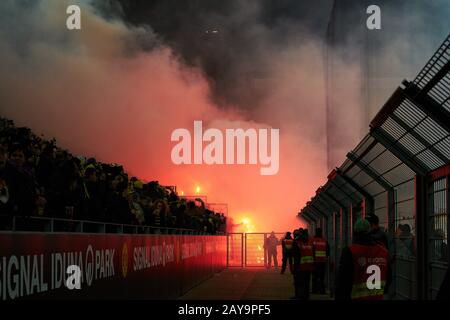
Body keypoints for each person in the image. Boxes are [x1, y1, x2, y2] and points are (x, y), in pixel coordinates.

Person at [335, 218, 390, 300]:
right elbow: (389, 277)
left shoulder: (350, 251)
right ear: (370, 232)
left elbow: (343, 280)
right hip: (377, 297)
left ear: (354, 233)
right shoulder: (383, 252)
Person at [292, 228, 314, 300]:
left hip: (300, 266)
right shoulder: (310, 241)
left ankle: (299, 296)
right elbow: (313, 253)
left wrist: (294, 267)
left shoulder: (297, 242)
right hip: (309, 265)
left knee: (299, 282)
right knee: (307, 282)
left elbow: (296, 256)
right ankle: (306, 296)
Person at [312, 227, 329, 294]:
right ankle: (322, 290)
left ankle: (315, 290)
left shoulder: (313, 240)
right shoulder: (324, 240)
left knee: (315, 277)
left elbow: (311, 250)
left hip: (315, 261)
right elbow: (328, 251)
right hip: (323, 261)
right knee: (322, 277)